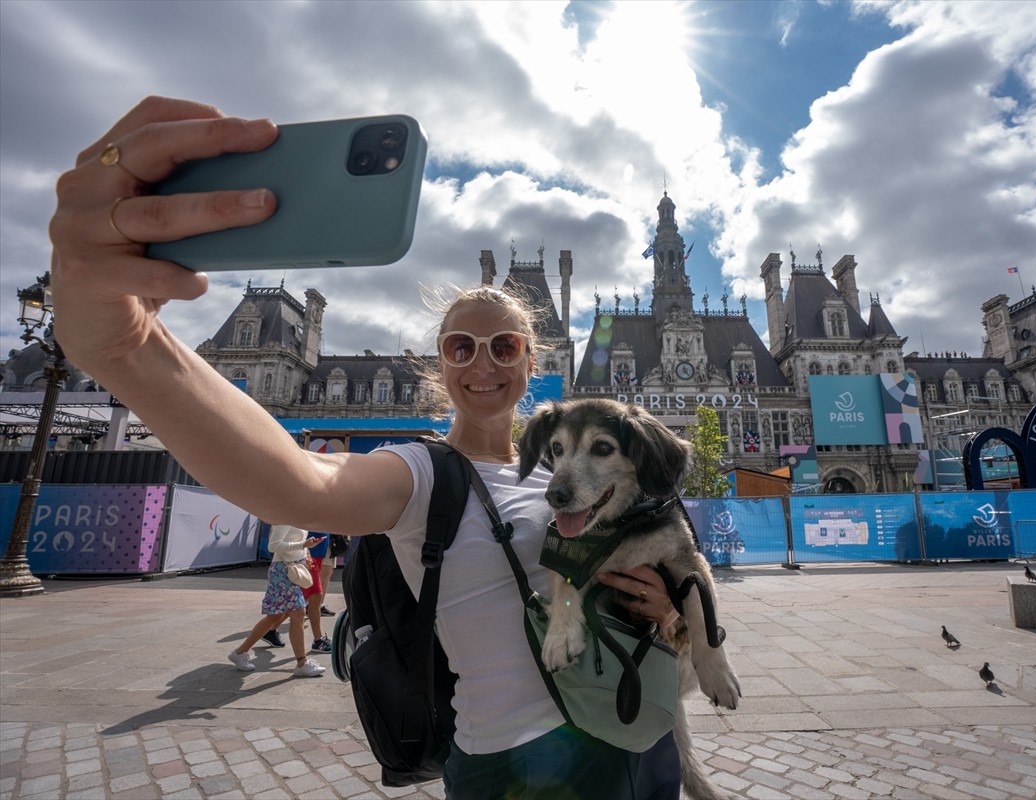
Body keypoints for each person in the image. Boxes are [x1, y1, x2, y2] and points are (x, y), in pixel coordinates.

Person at [48, 97, 682, 799]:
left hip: (640, 739)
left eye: (504, 347)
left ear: (532, 362)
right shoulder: (419, 473)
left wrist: (666, 613)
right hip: (516, 769)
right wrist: (128, 347)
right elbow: (300, 483)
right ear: (438, 366)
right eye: (460, 347)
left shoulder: (583, 476)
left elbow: (657, 595)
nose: (483, 363)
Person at [228, 524, 326, 678]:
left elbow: (293, 541)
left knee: (276, 616)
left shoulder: (296, 517)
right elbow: (273, 545)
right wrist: (303, 545)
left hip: (289, 570)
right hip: (283, 571)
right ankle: (302, 663)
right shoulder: (285, 518)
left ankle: (240, 652)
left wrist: (305, 552)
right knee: (298, 613)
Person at [306, 533, 331, 652]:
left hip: (317, 551)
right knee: (314, 596)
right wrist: (304, 548)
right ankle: (318, 640)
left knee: (302, 602)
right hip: (309, 555)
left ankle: (270, 630)